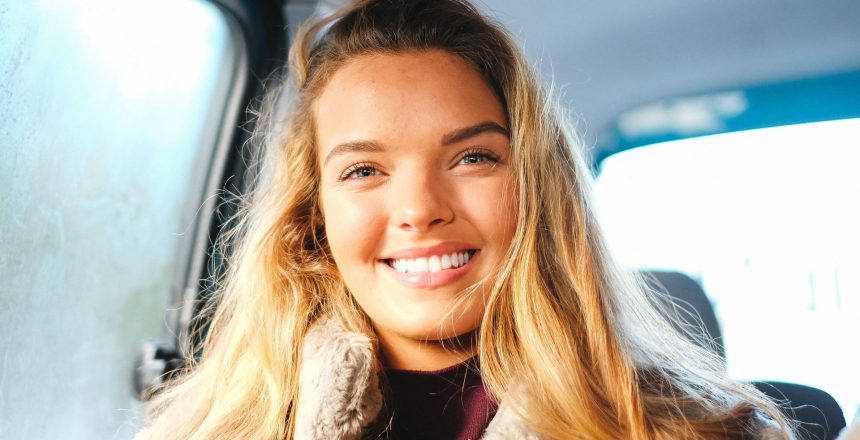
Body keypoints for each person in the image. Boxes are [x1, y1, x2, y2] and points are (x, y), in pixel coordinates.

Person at [137, 0, 796, 438]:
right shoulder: (210, 430)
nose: (421, 209)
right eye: (364, 171)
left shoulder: (692, 430)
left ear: (536, 188)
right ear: (312, 219)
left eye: (472, 157)